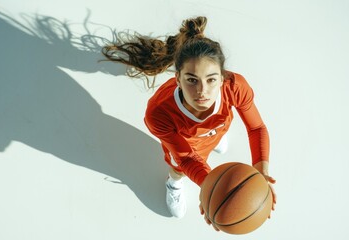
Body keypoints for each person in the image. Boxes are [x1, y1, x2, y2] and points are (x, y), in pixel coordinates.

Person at [102, 16, 276, 228]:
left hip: (217, 127)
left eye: (211, 79)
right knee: (178, 168)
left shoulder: (235, 86)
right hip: (187, 146)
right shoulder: (159, 113)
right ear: (178, 79)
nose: (202, 91)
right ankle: (173, 184)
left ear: (222, 78)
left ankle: (215, 135)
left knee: (219, 130)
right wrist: (210, 188)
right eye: (192, 80)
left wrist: (261, 171)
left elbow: (256, 127)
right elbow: (187, 160)